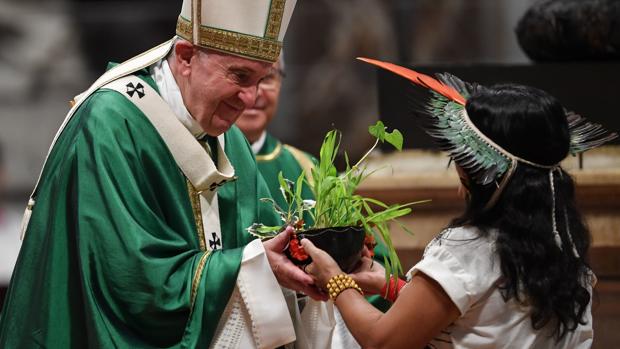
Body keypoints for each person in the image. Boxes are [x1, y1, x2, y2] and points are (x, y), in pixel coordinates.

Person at [0, 1, 329, 348]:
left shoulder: (229, 138)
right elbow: (130, 283)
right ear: (186, 57)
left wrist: (302, 259)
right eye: (240, 76)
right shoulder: (110, 125)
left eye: (263, 79)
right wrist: (250, 267)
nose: (250, 99)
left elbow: (262, 237)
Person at [301, 58, 618, 348]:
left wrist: (335, 280)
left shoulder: (469, 248)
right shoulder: (562, 242)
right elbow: (484, 315)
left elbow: (383, 342)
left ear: (475, 169)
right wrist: (388, 285)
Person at [235, 53, 316, 217]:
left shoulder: (307, 167)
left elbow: (362, 237)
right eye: (242, 76)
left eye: (267, 77)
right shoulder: (199, 164)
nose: (255, 94)